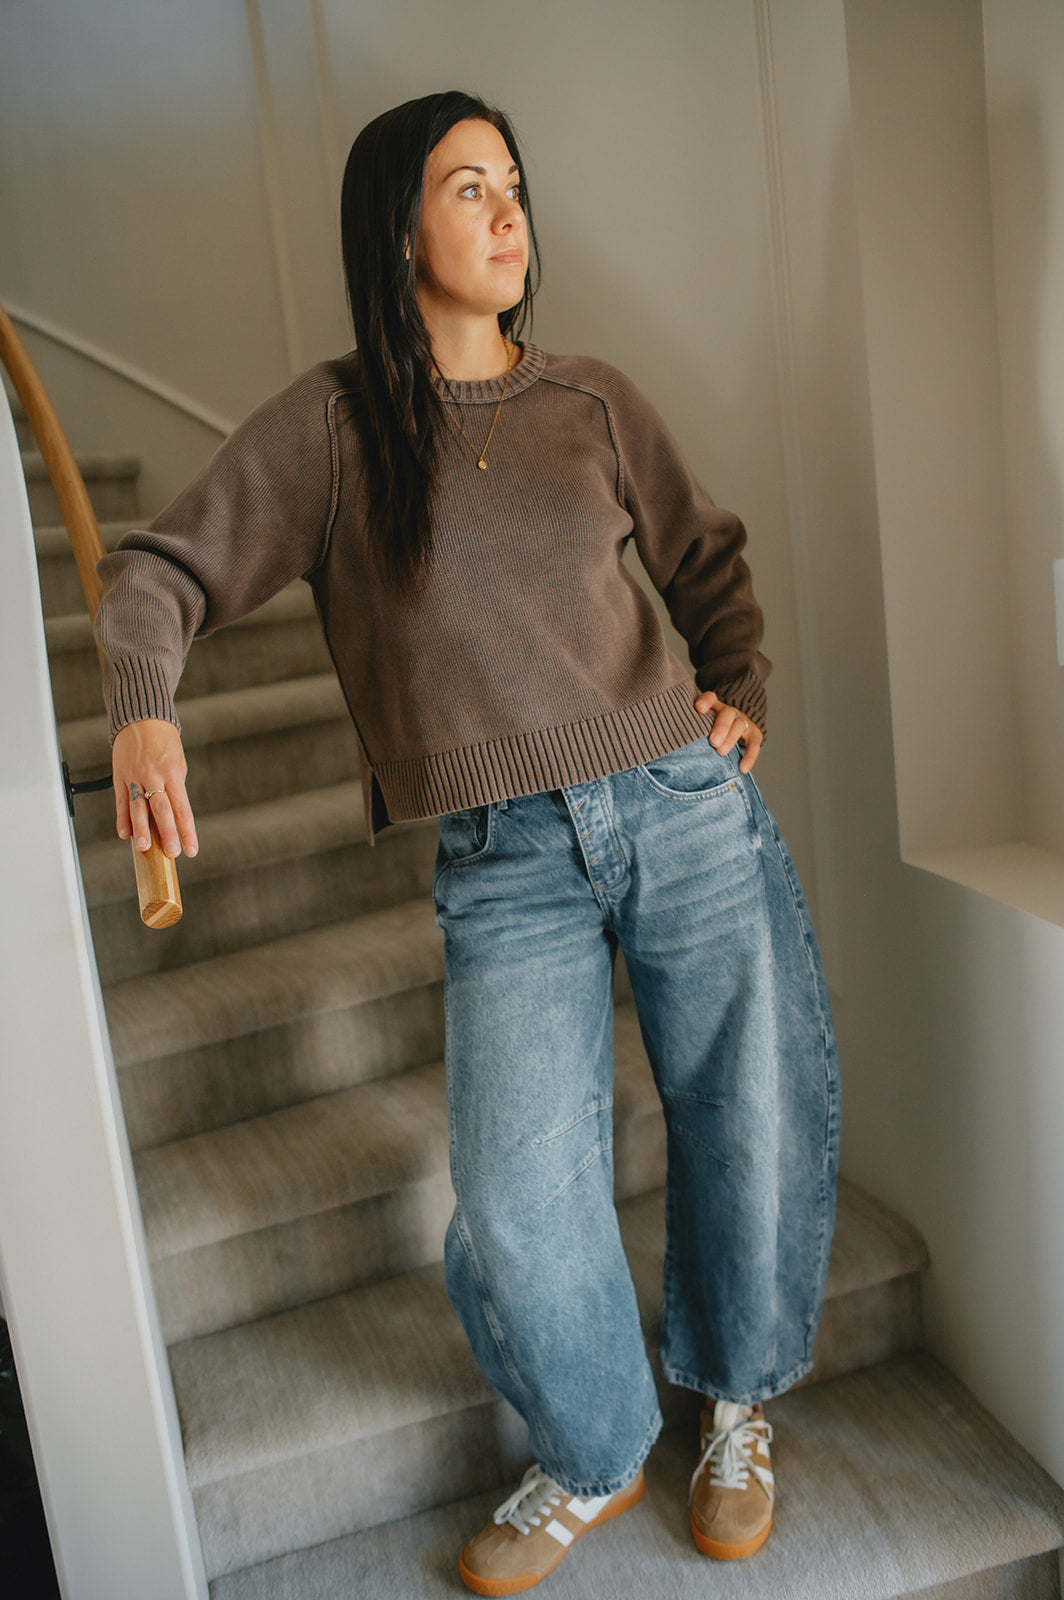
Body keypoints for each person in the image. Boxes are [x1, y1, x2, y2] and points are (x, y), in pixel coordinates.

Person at [95, 90, 840, 1596]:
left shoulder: (594, 403)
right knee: (515, 1195)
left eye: (513, 184)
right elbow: (158, 569)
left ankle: (736, 1402)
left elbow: (707, 558)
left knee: (746, 1109)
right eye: (467, 187)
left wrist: (739, 687)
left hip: (680, 801)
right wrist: (143, 713)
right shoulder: (330, 428)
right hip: (505, 860)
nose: (509, 213)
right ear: (399, 227)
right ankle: (596, 1447)